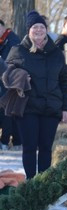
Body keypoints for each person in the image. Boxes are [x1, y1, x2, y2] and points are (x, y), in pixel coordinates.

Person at [4, 11, 67, 179]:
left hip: (51, 107)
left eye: (42, 26)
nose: (39, 30)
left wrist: (66, 108)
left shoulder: (56, 53)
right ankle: (32, 182)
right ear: (28, 30)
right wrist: (20, 75)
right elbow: (6, 76)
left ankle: (43, 182)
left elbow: (64, 82)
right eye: (35, 27)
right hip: (27, 108)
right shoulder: (18, 50)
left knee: (46, 148)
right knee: (30, 147)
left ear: (46, 29)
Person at [0, 18, 21, 148]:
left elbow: (10, 62)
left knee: (7, 112)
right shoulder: (4, 41)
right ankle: (15, 141)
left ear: (2, 27)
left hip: (10, 81)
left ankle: (5, 141)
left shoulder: (12, 39)